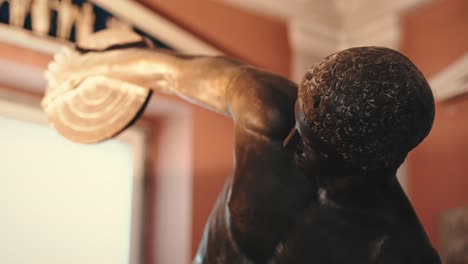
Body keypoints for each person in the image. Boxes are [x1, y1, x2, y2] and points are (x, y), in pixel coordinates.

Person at [43, 29, 441, 263]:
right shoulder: (268, 109)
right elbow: (168, 71)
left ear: (368, 163)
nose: (287, 142)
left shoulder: (397, 251)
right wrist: (83, 67)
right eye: (297, 123)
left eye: (310, 144)